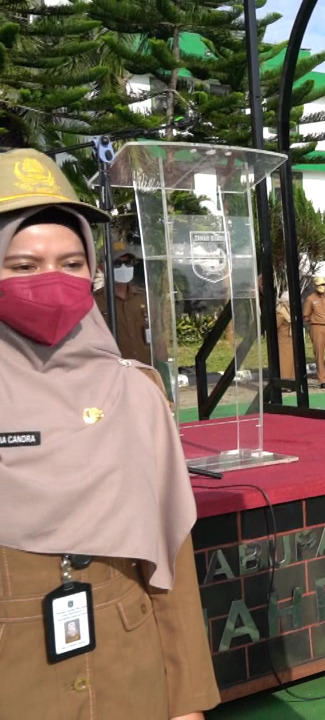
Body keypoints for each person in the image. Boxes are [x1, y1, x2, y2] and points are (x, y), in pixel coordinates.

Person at [0, 148, 219, 719]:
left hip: (131, 676)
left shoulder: (135, 391)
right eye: (23, 266)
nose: (52, 280)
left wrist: (187, 701)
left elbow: (170, 558)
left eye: (71, 263)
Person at [93, 237, 153, 365]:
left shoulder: (145, 297)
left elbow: (159, 340)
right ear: (102, 268)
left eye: (128, 262)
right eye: (117, 264)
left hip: (145, 370)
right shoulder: (95, 303)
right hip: (114, 372)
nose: (124, 267)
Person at [276, 291, 295, 383]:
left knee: (292, 361)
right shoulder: (281, 312)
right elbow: (276, 325)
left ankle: (292, 380)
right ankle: (285, 381)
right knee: (285, 361)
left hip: (290, 339)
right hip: (283, 340)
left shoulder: (289, 311)